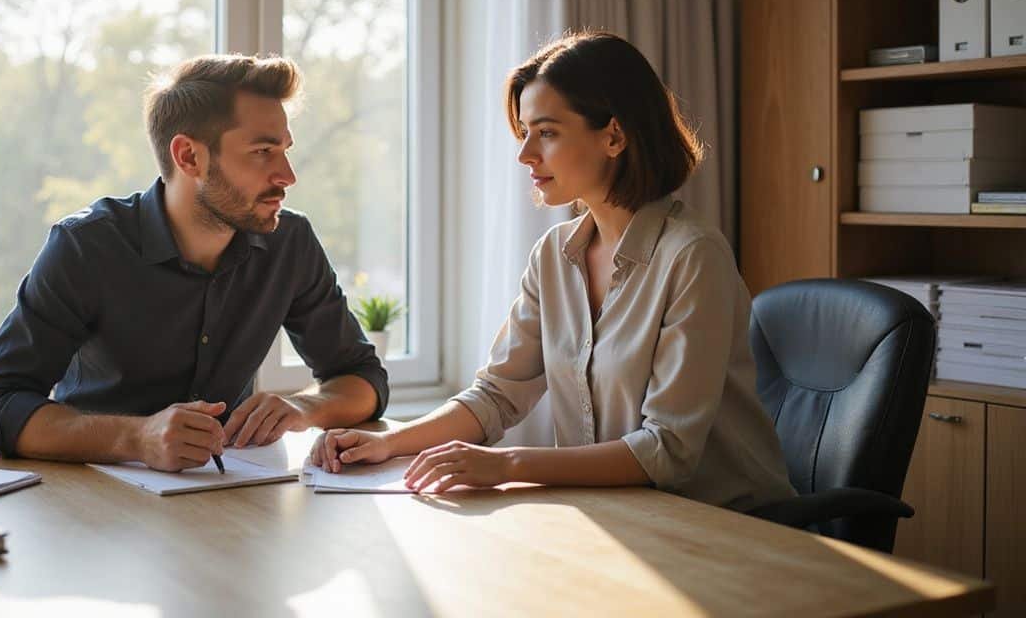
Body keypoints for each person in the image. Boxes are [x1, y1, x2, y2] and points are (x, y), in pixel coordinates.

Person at [309, 30, 795, 511]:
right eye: (525, 133)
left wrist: (506, 466)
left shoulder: (693, 256)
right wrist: (389, 443)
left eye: (547, 132)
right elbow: (497, 396)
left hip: (730, 525)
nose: (525, 155)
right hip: (626, 518)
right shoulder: (554, 254)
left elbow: (666, 450)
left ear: (615, 136)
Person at [0, 54, 388, 470]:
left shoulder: (289, 243)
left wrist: (303, 408)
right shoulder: (86, 247)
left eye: (284, 149)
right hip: (96, 504)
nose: (287, 175)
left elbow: (364, 380)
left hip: (230, 500)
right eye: (262, 151)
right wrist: (136, 438)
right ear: (188, 156)